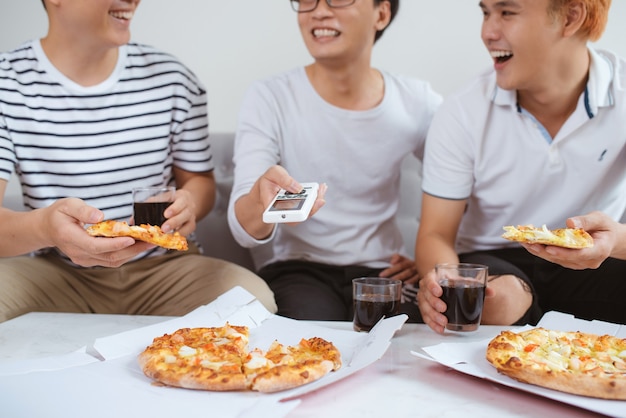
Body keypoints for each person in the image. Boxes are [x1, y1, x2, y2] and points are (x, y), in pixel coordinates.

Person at [0, 0, 276, 323]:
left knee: (253, 302)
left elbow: (199, 183)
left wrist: (189, 203)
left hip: (162, 271)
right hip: (56, 275)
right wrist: (46, 227)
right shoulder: (8, 83)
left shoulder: (173, 79)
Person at [415, 0, 626, 334]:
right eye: (485, 13)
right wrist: (445, 282)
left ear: (570, 17)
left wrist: (616, 242)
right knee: (499, 299)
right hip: (497, 260)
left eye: (507, 13)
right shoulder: (462, 111)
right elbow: (435, 233)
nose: (488, 32)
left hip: (595, 261)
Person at [227, 0, 442, 321]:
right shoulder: (269, 97)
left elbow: (463, 189)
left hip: (383, 273)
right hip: (299, 268)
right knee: (307, 351)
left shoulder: (418, 101)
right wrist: (262, 202)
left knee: (408, 343)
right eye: (307, 1)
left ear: (381, 14)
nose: (319, 11)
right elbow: (243, 229)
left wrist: (427, 263)